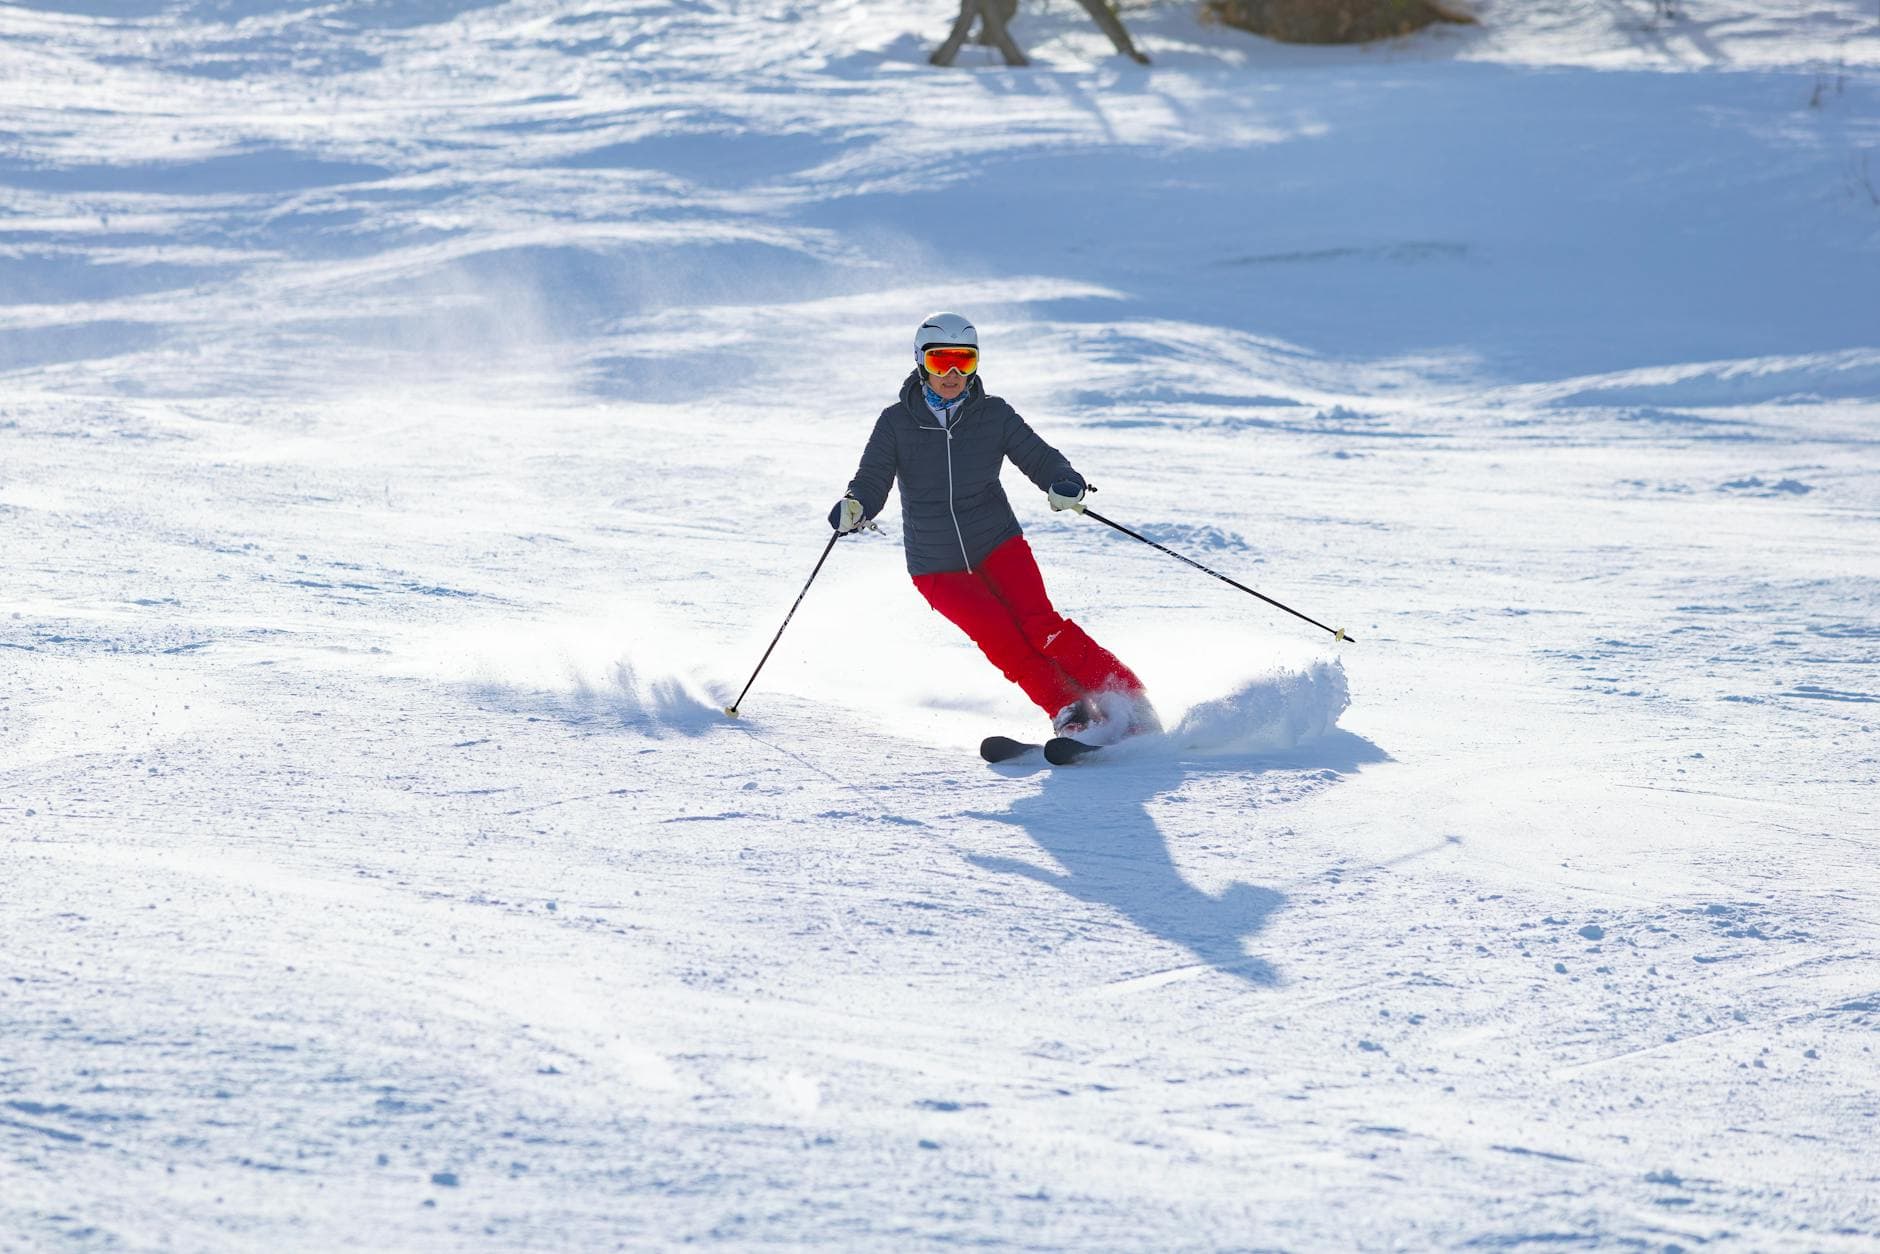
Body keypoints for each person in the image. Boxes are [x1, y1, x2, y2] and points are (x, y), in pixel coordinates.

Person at [829, 312, 1157, 745]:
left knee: (1042, 625)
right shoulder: (895, 422)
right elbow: (871, 480)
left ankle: (1127, 700)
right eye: (940, 360)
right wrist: (855, 506)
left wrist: (1064, 482)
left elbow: (1040, 456)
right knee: (1001, 640)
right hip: (935, 563)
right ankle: (1068, 707)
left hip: (997, 541)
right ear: (920, 361)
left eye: (963, 362)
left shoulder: (994, 414)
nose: (951, 374)